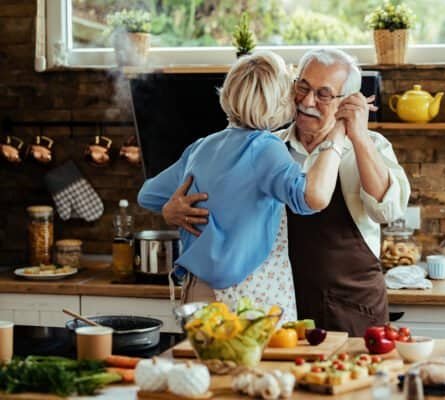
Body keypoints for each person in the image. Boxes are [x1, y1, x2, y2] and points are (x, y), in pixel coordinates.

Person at [162, 49, 411, 336]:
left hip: (349, 308)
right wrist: (170, 210)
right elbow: (214, 201)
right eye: (302, 87)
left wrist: (357, 135)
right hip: (276, 305)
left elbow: (387, 211)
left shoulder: (370, 145)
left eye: (324, 94)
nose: (307, 101)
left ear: (345, 101)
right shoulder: (266, 147)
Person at [137, 51, 346, 322]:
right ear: (279, 100)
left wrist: (170, 210)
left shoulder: (201, 147)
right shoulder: (265, 147)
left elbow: (147, 195)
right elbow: (311, 199)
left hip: (196, 291)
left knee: (202, 365)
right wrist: (338, 134)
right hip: (247, 299)